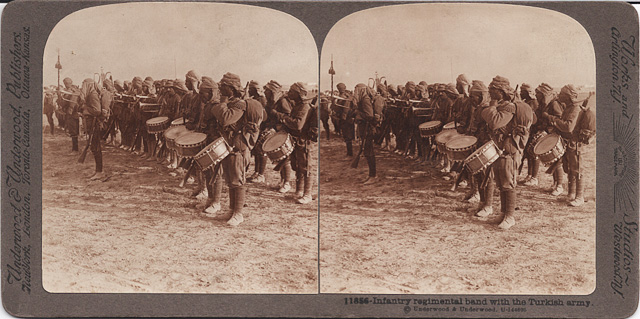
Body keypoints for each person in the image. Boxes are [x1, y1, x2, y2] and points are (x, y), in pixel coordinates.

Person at [211, 73, 263, 226]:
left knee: (237, 180)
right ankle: (232, 209)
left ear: (231, 88)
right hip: (229, 146)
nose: (220, 88)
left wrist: (221, 102)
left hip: (238, 147)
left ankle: (238, 213)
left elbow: (226, 119)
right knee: (230, 179)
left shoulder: (240, 104)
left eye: (223, 86)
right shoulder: (233, 102)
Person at [481, 76, 533, 230]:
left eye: (493, 90)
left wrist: (491, 106)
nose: (490, 92)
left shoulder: (510, 107)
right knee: (501, 182)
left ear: (501, 91)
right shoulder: (505, 105)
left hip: (509, 149)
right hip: (500, 148)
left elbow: (496, 122)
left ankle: (510, 216)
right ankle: (504, 213)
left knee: (508, 182)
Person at [545, 85, 595, 207]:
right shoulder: (569, 108)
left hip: (574, 143)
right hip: (569, 142)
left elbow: (568, 127)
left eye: (561, 94)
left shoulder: (574, 109)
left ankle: (579, 196)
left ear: (567, 96)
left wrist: (552, 119)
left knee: (577, 169)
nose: (559, 95)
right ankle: (571, 194)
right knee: (569, 169)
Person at [271, 82, 314, 203]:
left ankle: (307, 194)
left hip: (303, 141)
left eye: (291, 91)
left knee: (306, 167)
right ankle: (299, 191)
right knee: (298, 166)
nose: (288, 93)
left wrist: (281, 117)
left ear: (299, 94)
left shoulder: (304, 107)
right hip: (297, 140)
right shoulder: (298, 105)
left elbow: (297, 124)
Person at [198, 77, 226, 216]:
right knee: (207, 171)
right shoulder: (208, 105)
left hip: (215, 142)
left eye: (202, 93)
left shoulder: (217, 106)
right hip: (207, 140)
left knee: (216, 173)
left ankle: (216, 202)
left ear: (210, 92)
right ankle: (210, 198)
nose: (200, 96)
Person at [467, 80, 495, 217]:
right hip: (478, 144)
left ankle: (488, 205)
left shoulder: (487, 109)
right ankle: (482, 202)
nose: (471, 99)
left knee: (487, 177)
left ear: (480, 96)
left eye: (473, 96)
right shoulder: (478, 108)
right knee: (478, 175)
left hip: (486, 146)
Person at [535, 83, 565, 194]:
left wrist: (548, 118)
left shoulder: (554, 104)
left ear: (543, 94)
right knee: (553, 161)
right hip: (549, 133)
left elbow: (559, 118)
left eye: (538, 93)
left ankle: (559, 185)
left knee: (557, 160)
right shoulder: (544, 104)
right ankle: (555, 183)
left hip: (555, 135)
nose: (536, 95)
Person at [79, 78, 111, 180]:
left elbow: (97, 111)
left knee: (96, 147)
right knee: (94, 147)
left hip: (94, 124)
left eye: (84, 84)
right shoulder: (91, 94)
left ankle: (100, 172)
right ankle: (98, 171)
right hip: (93, 124)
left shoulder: (92, 95)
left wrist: (85, 108)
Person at [353, 83, 384, 184]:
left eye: (356, 89)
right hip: (366, 128)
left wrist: (358, 113)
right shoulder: (364, 98)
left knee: (369, 152)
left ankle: (373, 175)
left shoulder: (365, 99)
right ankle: (372, 175)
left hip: (368, 129)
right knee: (368, 151)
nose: (355, 91)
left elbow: (369, 115)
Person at [519, 83, 540, 186]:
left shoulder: (533, 103)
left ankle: (534, 177)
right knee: (528, 154)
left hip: (533, 131)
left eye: (522, 92)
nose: (520, 93)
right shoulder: (528, 102)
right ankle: (530, 175)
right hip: (530, 131)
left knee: (533, 154)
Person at [58, 77, 81, 153]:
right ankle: (75, 148)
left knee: (73, 131)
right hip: (73, 113)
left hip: (72, 113)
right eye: (65, 83)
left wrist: (60, 96)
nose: (66, 85)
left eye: (67, 83)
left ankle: (75, 149)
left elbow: (63, 103)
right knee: (73, 131)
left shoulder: (71, 91)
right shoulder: (74, 90)